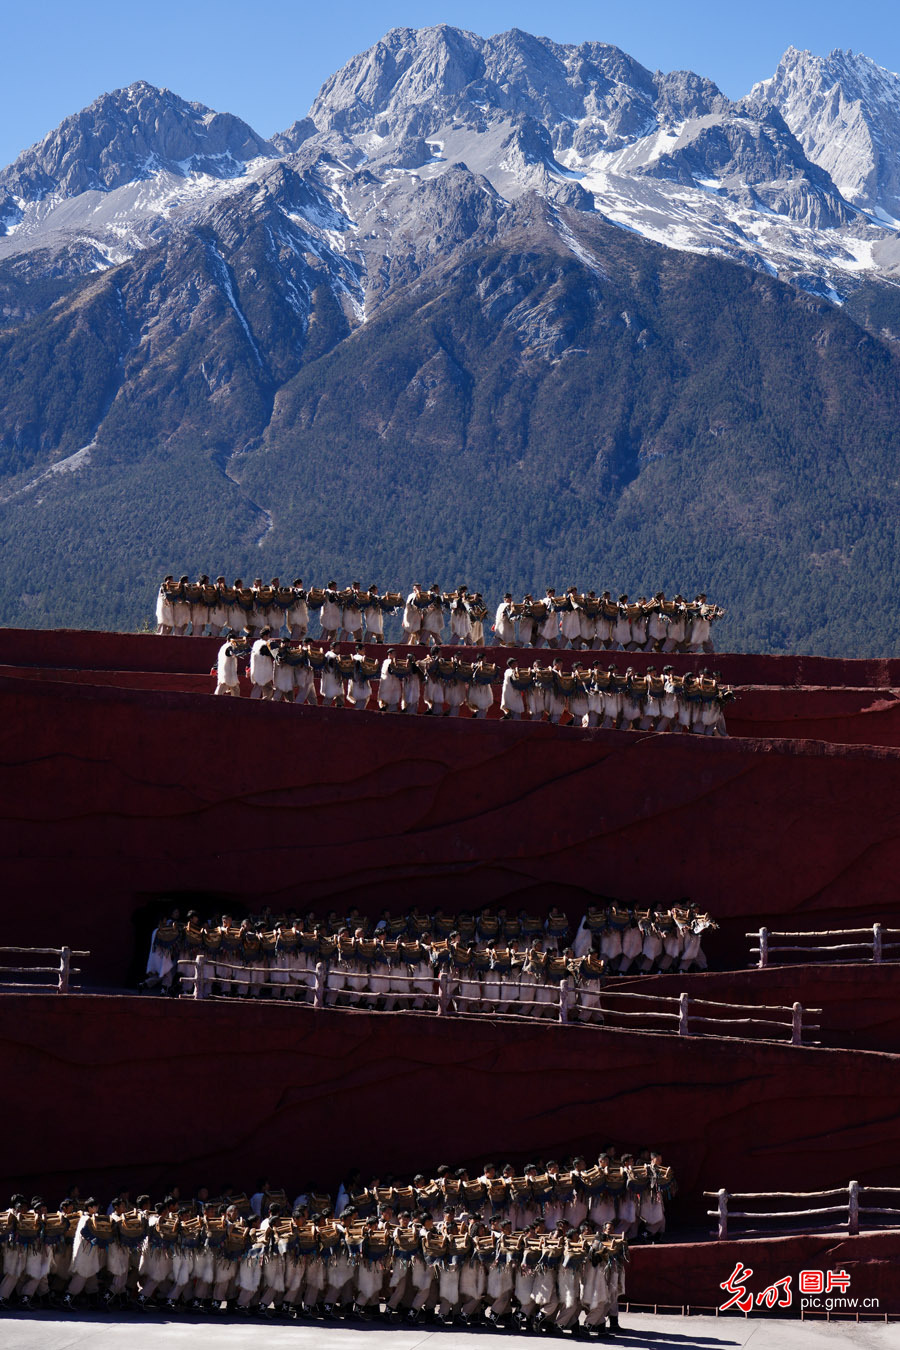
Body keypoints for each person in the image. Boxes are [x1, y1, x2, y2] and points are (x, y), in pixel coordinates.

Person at [249, 628, 275, 700]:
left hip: (257, 670)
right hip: (264, 670)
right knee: (267, 688)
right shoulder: (266, 644)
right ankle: (256, 702)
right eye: (268, 635)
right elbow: (270, 654)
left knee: (262, 688)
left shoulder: (256, 643)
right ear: (265, 636)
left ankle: (260, 700)